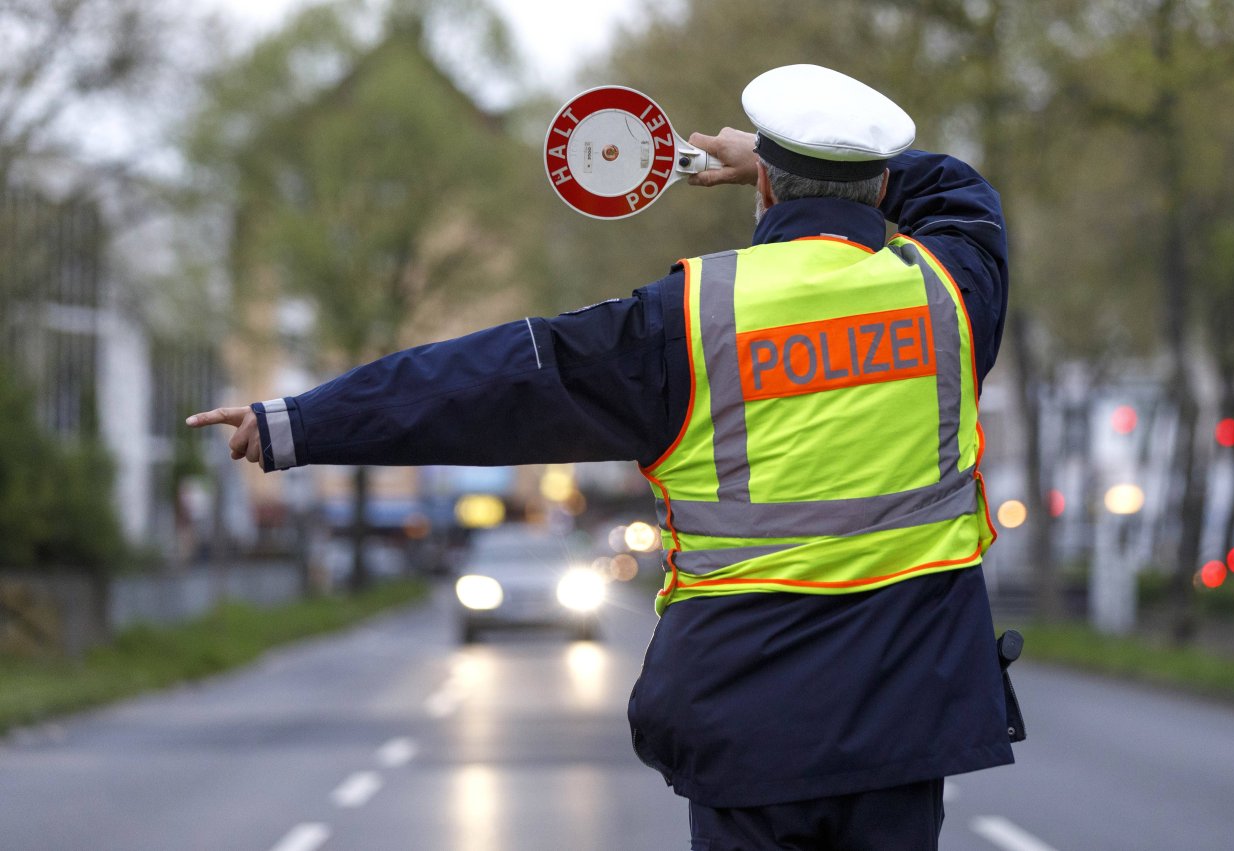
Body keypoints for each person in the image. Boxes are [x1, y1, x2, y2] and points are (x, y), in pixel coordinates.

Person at [189, 64, 1012, 850]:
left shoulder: (687, 321)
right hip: (911, 716)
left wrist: (301, 421)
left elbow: (491, 382)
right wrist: (825, 162)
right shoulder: (950, 294)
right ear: (877, 184)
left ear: (763, 188)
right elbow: (959, 192)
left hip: (750, 725)